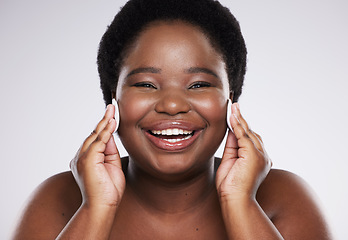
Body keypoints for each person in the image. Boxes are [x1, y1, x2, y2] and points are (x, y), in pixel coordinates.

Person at [12, 0, 332, 239]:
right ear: (113, 97)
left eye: (199, 85)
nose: (173, 104)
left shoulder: (282, 198)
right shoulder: (59, 201)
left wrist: (241, 204)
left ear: (230, 98)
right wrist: (96, 211)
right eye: (146, 84)